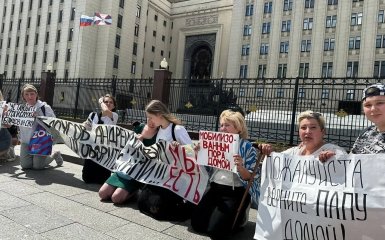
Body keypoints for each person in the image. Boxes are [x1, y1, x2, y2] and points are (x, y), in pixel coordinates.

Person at [191, 109, 261, 239]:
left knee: (216, 232)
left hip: (235, 192)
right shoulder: (214, 143)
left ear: (238, 128)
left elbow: (251, 177)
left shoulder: (247, 147)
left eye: (227, 125)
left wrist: (240, 166)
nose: (223, 128)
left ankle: (241, 217)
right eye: (222, 125)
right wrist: (198, 154)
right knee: (197, 224)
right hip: (215, 188)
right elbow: (206, 168)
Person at [136, 99, 194, 221]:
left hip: (176, 177)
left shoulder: (177, 129)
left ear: (159, 115)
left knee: (157, 208)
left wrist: (179, 148)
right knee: (142, 202)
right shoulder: (159, 130)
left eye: (151, 117)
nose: (150, 121)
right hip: (162, 174)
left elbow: (192, 152)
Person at [98, 121, 158, 204]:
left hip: (137, 173)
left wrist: (140, 145)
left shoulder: (159, 134)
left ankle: (135, 192)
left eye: (153, 118)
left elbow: (155, 156)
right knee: (102, 194)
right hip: (124, 168)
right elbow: (125, 146)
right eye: (149, 117)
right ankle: (122, 190)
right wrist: (134, 142)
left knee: (116, 198)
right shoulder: (140, 127)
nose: (151, 121)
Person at [18, 84, 63, 169]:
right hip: (26, 141)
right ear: (23, 96)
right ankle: (33, 156)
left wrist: (38, 116)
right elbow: (13, 123)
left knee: (38, 166)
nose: (29, 96)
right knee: (25, 165)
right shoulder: (21, 108)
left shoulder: (44, 107)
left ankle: (55, 154)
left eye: (32, 94)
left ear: (36, 95)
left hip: (40, 140)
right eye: (26, 94)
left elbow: (54, 123)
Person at [82, 94, 118, 184]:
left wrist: (101, 101)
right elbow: (87, 127)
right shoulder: (93, 115)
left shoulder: (114, 116)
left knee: (102, 180)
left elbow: (105, 110)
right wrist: (85, 125)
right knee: (87, 178)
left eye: (111, 102)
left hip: (105, 150)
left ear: (114, 106)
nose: (108, 103)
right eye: (106, 101)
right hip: (92, 149)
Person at [282, 110, 346, 161]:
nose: (307, 132)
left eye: (313, 127)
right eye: (303, 128)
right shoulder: (294, 152)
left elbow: (347, 166)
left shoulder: (334, 150)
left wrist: (334, 158)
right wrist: (271, 153)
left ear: (323, 132)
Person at [351, 83, 385, 153]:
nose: (373, 109)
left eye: (380, 103)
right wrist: (332, 158)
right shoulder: (366, 132)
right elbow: (352, 159)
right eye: (368, 105)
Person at [0, 90, 13, 161]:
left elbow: (9, 125)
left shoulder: (5, 107)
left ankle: (8, 151)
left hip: (3, 137)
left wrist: (4, 114)